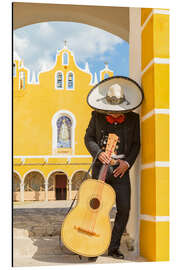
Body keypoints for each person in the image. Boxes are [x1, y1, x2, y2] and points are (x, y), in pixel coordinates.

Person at [84, 78, 143, 261]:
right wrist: (99, 152)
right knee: (96, 208)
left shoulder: (134, 119)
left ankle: (113, 247)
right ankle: (91, 246)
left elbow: (135, 144)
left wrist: (127, 163)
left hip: (121, 170)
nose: (115, 114)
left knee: (124, 208)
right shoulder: (96, 116)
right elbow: (88, 138)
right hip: (101, 168)